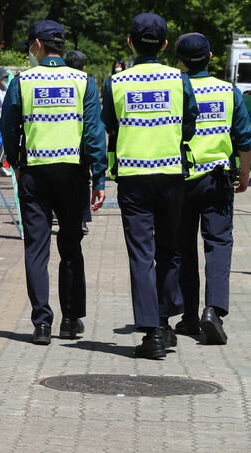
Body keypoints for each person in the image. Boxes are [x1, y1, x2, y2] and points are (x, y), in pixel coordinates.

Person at [1, 20, 107, 345]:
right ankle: (71, 320)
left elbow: (8, 127)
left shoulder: (22, 81)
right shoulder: (83, 81)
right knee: (71, 246)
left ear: (36, 45)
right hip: (73, 173)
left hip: (34, 171)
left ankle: (41, 323)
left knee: (36, 247)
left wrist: (16, 162)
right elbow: (93, 133)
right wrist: (99, 176)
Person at [100, 13, 199, 359]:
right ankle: (163, 322)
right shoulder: (180, 80)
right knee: (170, 250)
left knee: (141, 254)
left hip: (132, 177)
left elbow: (110, 124)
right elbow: (190, 124)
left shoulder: (115, 83)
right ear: (166, 45)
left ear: (129, 43)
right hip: (172, 176)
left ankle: (153, 330)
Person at [173, 33, 251, 344]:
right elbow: (244, 139)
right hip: (218, 179)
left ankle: (189, 316)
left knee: (183, 248)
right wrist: (244, 175)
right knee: (218, 243)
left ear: (179, 60)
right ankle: (214, 310)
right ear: (210, 57)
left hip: (180, 179)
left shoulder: (175, 89)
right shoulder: (228, 91)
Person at [63, 49, 94, 235]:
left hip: (56, 146)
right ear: (83, 68)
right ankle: (82, 220)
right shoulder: (86, 83)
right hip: (80, 146)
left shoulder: (57, 83)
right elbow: (92, 123)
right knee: (83, 183)